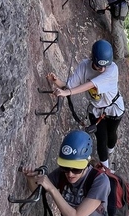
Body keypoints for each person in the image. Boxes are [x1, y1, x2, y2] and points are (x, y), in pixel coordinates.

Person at [24, 129, 110, 216]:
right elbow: (36, 192)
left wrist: (52, 189)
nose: (70, 174)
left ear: (87, 162)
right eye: (65, 167)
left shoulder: (100, 181)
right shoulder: (61, 174)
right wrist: (30, 178)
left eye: (76, 169)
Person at [47, 40, 123, 168]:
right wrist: (56, 81)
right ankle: (106, 169)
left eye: (105, 66)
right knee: (101, 139)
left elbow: (91, 84)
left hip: (113, 107)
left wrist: (68, 92)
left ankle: (111, 149)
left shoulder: (112, 70)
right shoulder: (84, 66)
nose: (102, 69)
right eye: (99, 66)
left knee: (111, 136)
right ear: (93, 60)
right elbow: (70, 85)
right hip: (96, 109)